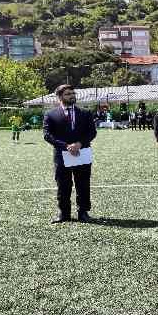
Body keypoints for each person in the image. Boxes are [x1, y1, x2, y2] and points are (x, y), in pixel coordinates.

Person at [43, 84, 97, 223]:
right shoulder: (51, 114)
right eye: (68, 94)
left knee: (83, 184)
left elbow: (92, 132)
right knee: (63, 185)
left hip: (83, 153)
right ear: (60, 97)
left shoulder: (85, 113)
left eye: (73, 93)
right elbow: (48, 135)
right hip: (62, 155)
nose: (72, 96)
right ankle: (64, 213)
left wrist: (79, 144)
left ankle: (83, 212)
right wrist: (66, 146)